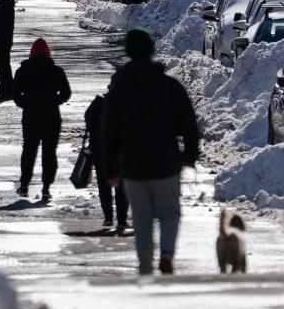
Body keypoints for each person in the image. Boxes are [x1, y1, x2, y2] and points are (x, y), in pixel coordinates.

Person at [104, 28, 200, 275]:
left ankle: (145, 265)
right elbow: (189, 123)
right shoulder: (169, 86)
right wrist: (189, 155)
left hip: (133, 165)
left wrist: (111, 168)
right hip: (166, 162)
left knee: (141, 217)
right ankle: (166, 253)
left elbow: (108, 131)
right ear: (151, 50)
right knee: (169, 212)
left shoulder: (119, 89)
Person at [12, 38, 71, 200]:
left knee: (29, 150)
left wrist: (26, 104)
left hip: (31, 116)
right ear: (48, 53)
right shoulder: (57, 71)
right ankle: (46, 187)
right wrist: (53, 101)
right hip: (51, 116)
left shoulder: (23, 71)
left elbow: (15, 94)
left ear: (31, 53)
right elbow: (66, 93)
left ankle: (24, 185)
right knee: (49, 152)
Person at [85, 93, 129, 231]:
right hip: (122, 149)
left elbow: (88, 121)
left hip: (100, 149)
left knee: (104, 183)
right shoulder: (126, 104)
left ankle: (108, 217)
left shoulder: (99, 102)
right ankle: (121, 219)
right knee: (122, 185)